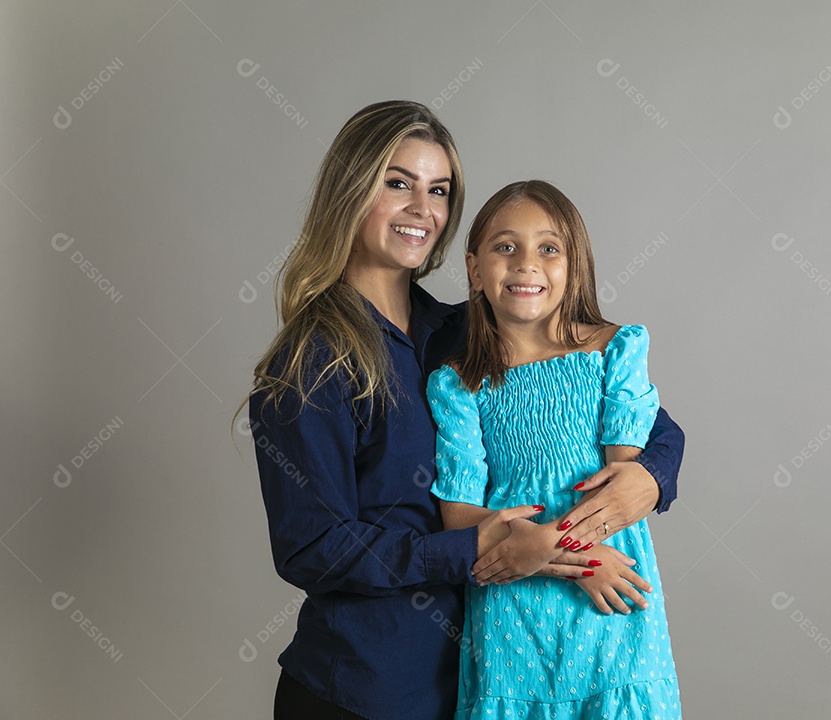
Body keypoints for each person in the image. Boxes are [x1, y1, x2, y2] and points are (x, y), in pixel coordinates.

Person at [247, 101, 685, 720]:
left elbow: (633, 411)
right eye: (397, 183)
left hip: (489, 680)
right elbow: (311, 548)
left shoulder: (462, 334)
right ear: (350, 191)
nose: (421, 210)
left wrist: (652, 475)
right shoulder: (312, 363)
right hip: (368, 692)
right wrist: (491, 547)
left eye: (439, 190)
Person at [428, 180, 681, 718]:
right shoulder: (457, 385)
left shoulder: (616, 351)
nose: (526, 264)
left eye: (548, 248)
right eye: (505, 247)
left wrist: (583, 555)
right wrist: (567, 556)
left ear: (575, 266)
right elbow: (458, 516)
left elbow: (618, 490)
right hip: (512, 610)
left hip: (612, 601)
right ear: (474, 270)